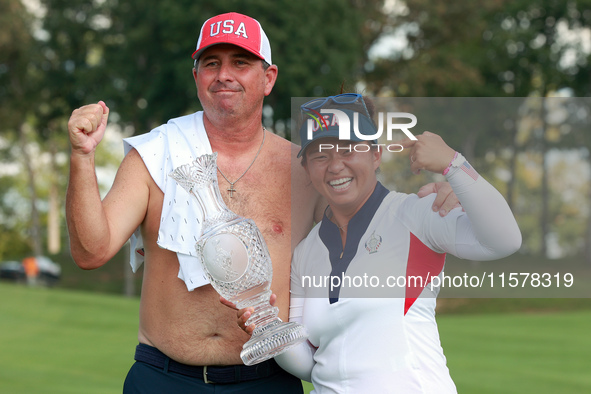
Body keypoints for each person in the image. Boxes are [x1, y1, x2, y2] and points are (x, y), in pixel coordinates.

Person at [66, 12, 460, 393]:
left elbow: (376, 221)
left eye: (241, 62)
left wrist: (443, 193)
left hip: (268, 378)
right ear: (197, 77)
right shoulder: (155, 155)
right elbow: (91, 251)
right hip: (164, 377)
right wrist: (82, 157)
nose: (224, 75)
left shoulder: (304, 171)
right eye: (211, 63)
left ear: (268, 78)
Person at [236, 94, 522, 393]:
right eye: (321, 155)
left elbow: (504, 241)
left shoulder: (416, 214)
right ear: (307, 168)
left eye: (348, 150)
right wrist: (268, 326)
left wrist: (454, 164)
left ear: (375, 155)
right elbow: (313, 362)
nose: (335, 166)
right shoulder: (307, 251)